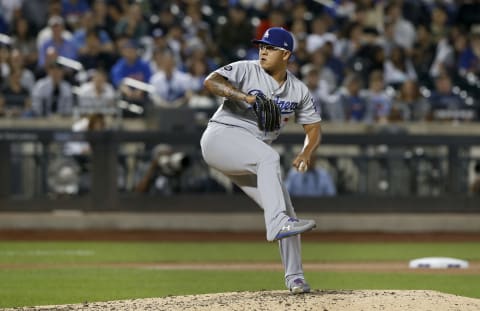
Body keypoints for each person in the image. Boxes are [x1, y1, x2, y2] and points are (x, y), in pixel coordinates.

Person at [200, 27, 321, 294]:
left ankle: (295, 278)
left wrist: (306, 152)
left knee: (287, 209)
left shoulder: (298, 91)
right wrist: (245, 97)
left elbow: (313, 128)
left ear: (286, 54)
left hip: (249, 155)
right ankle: (276, 223)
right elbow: (210, 81)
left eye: (270, 48)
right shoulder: (246, 69)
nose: (263, 51)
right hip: (221, 137)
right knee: (270, 158)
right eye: (261, 46)